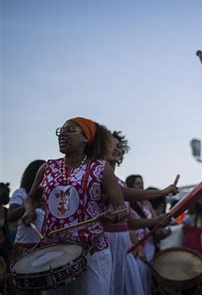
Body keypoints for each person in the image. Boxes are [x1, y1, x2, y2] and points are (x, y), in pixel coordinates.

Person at [22, 117, 128, 295]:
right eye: (60, 131)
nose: (62, 134)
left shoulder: (101, 168)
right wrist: (29, 209)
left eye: (70, 130)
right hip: (54, 251)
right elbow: (31, 198)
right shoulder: (47, 168)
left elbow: (121, 207)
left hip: (92, 251)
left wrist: (113, 216)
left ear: (86, 138)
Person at [104, 131, 172, 295]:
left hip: (124, 244)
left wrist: (157, 221)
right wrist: (161, 192)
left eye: (120, 146)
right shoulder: (99, 176)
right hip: (106, 242)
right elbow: (125, 193)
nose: (117, 149)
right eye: (111, 145)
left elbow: (128, 222)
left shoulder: (118, 179)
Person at [7, 160, 46, 294]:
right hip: (24, 251)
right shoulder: (21, 193)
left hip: (43, 250)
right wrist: (30, 206)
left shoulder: (47, 197)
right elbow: (10, 215)